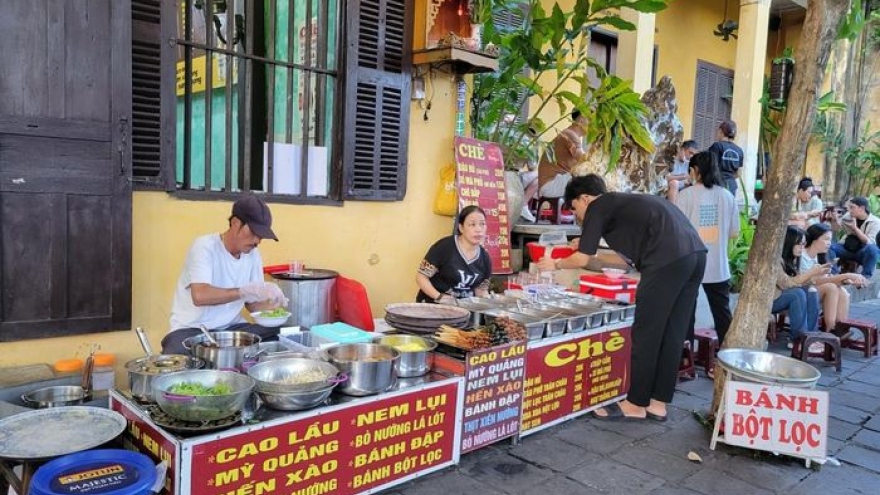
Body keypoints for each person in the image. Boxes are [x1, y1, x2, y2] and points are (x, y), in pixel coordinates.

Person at [536, 174, 706, 422]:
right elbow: (621, 262)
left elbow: (583, 258)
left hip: (666, 260)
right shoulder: (624, 208)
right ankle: (658, 404)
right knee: (672, 332)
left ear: (584, 198)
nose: (576, 216)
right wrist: (580, 251)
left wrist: (555, 263)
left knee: (646, 333)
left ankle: (636, 404)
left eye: (574, 209)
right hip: (695, 256)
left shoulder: (598, 206)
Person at [163, 196, 288, 355]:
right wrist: (243, 291)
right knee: (180, 356)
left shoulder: (253, 254)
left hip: (232, 330)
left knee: (289, 334)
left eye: (261, 235)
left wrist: (274, 303)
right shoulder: (204, 247)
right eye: (253, 232)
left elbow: (252, 305)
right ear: (236, 223)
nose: (257, 240)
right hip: (192, 329)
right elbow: (200, 296)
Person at [674, 152, 739, 354]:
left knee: (685, 313)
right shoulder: (727, 196)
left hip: (690, 263)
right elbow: (733, 232)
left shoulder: (685, 195)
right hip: (717, 265)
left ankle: (684, 358)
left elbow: (677, 232)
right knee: (722, 314)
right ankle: (728, 357)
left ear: (695, 171)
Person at [416, 205, 492, 303]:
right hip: (432, 306)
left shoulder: (485, 258)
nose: (478, 229)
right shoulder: (444, 247)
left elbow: (481, 290)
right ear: (461, 228)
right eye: (472, 224)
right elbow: (421, 277)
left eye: (482, 224)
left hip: (463, 311)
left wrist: (489, 301)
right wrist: (439, 297)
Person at [801, 223, 868, 330]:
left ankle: (840, 328)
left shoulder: (820, 256)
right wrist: (848, 275)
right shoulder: (803, 256)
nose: (829, 243)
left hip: (815, 289)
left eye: (830, 240)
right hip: (802, 291)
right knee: (830, 287)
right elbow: (816, 281)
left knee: (842, 291)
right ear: (814, 238)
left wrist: (847, 280)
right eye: (826, 239)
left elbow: (828, 278)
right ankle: (830, 329)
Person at [774, 226, 826, 349]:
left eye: (804, 244)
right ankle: (798, 340)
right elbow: (785, 283)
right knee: (797, 294)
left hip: (782, 295)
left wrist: (815, 276)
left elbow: (798, 282)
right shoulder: (776, 260)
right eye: (799, 244)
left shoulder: (792, 259)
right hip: (770, 300)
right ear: (789, 243)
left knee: (811, 291)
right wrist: (810, 273)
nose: (802, 248)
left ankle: (810, 337)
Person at [537, 110, 587, 199]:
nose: (595, 125)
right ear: (581, 121)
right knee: (592, 180)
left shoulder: (568, 133)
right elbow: (585, 161)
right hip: (551, 184)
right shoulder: (570, 134)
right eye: (591, 120)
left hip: (554, 182)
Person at [828, 196, 880, 279]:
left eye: (852, 207)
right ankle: (833, 274)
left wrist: (855, 228)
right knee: (829, 247)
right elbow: (836, 229)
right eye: (849, 207)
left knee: (873, 249)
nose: (849, 209)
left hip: (862, 252)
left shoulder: (875, 222)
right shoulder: (848, 216)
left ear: (861, 208)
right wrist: (834, 220)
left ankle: (865, 278)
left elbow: (869, 243)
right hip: (846, 248)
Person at [707, 120, 744, 196]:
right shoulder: (739, 150)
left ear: (721, 131)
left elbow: (709, 167)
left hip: (717, 185)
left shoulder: (716, 146)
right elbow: (738, 173)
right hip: (731, 186)